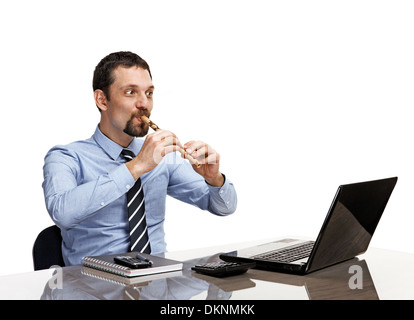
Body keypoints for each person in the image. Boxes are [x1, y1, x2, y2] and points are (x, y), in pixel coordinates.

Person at [42, 51, 237, 266]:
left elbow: (224, 207)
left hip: (158, 283)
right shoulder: (66, 157)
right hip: (94, 288)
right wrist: (136, 167)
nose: (144, 103)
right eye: (130, 92)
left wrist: (214, 178)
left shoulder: (160, 157)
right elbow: (62, 213)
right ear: (102, 99)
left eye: (149, 93)